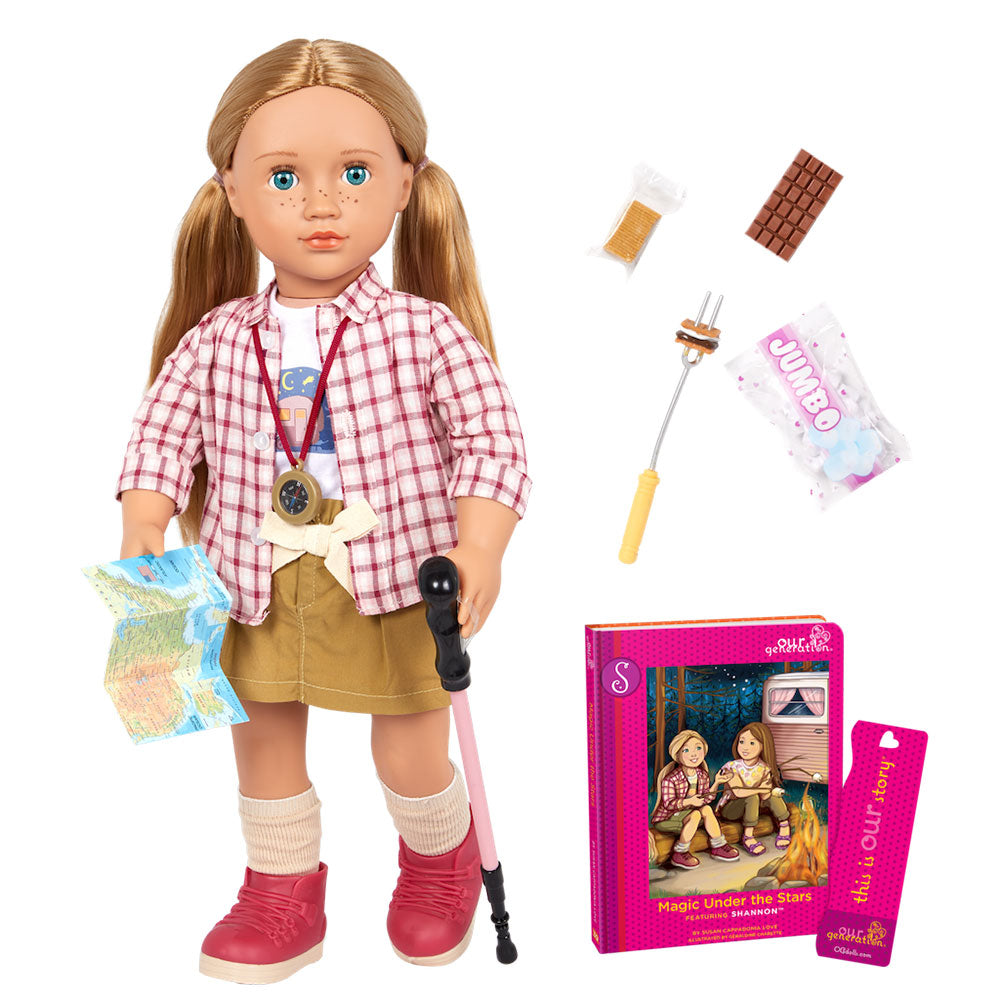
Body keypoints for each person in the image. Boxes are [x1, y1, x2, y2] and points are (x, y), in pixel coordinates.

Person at [116, 39, 530, 982]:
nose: (321, 203)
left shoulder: (423, 331)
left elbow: (492, 441)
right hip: (254, 577)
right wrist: (146, 520)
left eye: (354, 173)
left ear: (404, 183)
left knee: (410, 746)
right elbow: (161, 435)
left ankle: (440, 860)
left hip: (392, 581)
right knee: (262, 744)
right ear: (231, 190)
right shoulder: (218, 338)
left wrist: (481, 546)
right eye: (283, 178)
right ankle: (282, 889)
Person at [649, 730, 738, 868]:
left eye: (698, 748)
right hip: (668, 818)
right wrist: (689, 801)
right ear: (677, 755)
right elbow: (669, 804)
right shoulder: (671, 779)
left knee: (706, 809)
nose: (694, 754)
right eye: (686, 750)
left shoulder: (702, 775)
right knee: (696, 814)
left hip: (689, 817)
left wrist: (716, 783)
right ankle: (680, 852)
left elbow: (706, 799)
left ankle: (718, 845)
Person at [715, 722, 791, 856]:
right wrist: (761, 789)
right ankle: (748, 836)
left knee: (772, 795)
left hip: (755, 806)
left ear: (763, 746)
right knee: (751, 797)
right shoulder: (731, 767)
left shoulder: (764, 768)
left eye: (752, 743)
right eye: (742, 742)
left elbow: (765, 795)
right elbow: (739, 792)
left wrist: (767, 791)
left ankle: (784, 825)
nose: (745, 747)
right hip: (732, 809)